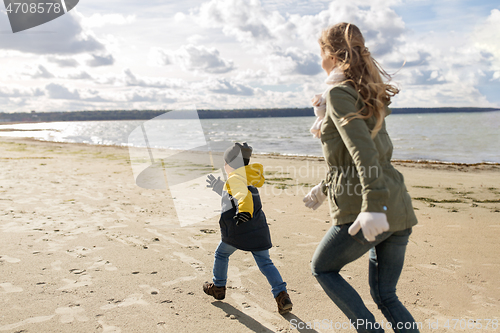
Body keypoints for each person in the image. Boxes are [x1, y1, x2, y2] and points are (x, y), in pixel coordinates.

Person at [303, 23, 419, 332]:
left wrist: (373, 205)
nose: (320, 60)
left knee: (323, 268)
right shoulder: (364, 91)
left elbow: (363, 153)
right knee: (386, 295)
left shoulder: (339, 92)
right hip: (398, 206)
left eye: (320, 54)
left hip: (367, 207)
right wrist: (324, 188)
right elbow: (364, 153)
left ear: (330, 54)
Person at [203, 142, 293, 315]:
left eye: (225, 163)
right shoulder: (246, 177)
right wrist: (218, 186)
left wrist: (244, 213)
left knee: (221, 254)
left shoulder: (235, 179)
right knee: (266, 263)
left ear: (229, 165)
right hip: (259, 229)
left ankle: (219, 286)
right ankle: (282, 296)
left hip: (239, 230)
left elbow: (242, 197)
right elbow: (233, 193)